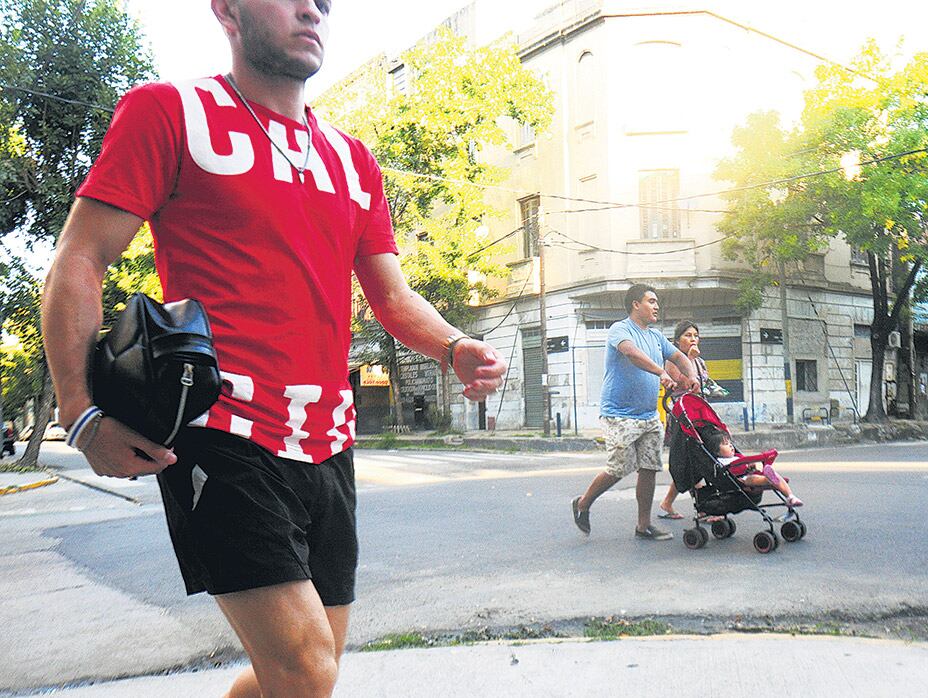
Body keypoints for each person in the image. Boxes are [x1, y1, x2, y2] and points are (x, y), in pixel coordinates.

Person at [41, 2, 506, 696]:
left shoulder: (352, 160)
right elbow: (80, 256)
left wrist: (455, 344)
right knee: (306, 670)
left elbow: (393, 297)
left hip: (328, 439)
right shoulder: (170, 112)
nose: (312, 9)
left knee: (294, 678)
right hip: (220, 428)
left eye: (323, 1)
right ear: (227, 9)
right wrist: (80, 413)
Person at [571, 284, 699, 541]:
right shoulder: (620, 329)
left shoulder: (656, 337)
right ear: (635, 304)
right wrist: (660, 372)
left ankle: (643, 526)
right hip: (619, 413)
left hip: (648, 415)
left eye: (657, 302)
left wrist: (692, 376)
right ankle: (583, 503)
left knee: (649, 467)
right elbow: (631, 353)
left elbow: (680, 358)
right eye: (651, 301)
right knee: (619, 467)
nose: (656, 306)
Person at [657, 319, 709, 520]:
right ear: (678, 341)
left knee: (689, 462)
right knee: (693, 461)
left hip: (699, 414)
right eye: (688, 335)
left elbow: (706, 385)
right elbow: (685, 383)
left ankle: (667, 503)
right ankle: (703, 509)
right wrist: (689, 358)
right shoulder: (673, 361)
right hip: (682, 416)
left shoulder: (700, 360)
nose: (693, 339)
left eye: (696, 336)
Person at [702, 427, 803, 507]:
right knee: (753, 479)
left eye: (730, 443)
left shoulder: (737, 456)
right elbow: (729, 472)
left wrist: (750, 465)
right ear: (716, 451)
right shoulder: (719, 461)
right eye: (726, 444)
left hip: (750, 473)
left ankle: (790, 496)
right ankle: (769, 478)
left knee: (768, 476)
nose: (731, 446)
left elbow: (745, 464)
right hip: (741, 480)